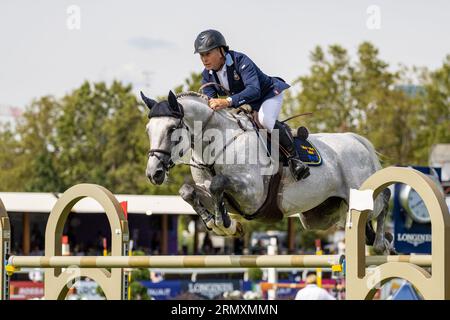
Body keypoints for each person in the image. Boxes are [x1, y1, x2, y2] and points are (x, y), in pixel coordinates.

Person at [194, 29, 310, 181]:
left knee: (264, 120)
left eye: (208, 53)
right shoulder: (207, 74)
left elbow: (254, 90)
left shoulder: (240, 61)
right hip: (244, 102)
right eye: (202, 55)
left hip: (267, 94)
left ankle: (294, 159)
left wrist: (227, 101)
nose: (204, 59)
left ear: (221, 51)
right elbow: (211, 102)